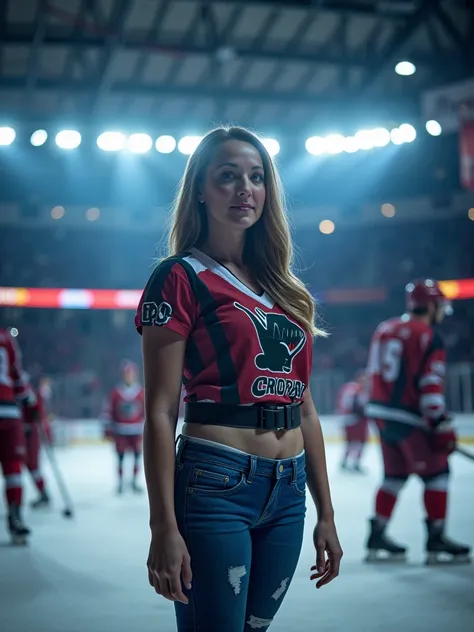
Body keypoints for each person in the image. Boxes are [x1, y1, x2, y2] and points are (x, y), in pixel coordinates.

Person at [135, 126, 342, 632]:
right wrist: (163, 524)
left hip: (290, 489)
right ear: (200, 191)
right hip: (215, 484)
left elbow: (307, 408)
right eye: (227, 177)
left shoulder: (285, 288)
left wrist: (327, 514)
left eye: (256, 177)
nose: (244, 189)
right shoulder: (179, 276)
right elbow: (161, 412)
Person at [364, 279, 471, 564]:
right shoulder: (428, 335)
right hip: (408, 416)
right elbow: (430, 384)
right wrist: (439, 421)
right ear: (433, 304)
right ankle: (436, 539)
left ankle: (377, 533)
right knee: (437, 475)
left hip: (380, 413)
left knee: (394, 476)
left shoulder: (385, 328)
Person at [0, 328, 35, 544]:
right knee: (13, 466)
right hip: (9, 409)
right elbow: (17, 375)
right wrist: (29, 400)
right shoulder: (6, 338)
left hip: (9, 409)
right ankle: (15, 518)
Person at [102, 360, 145, 494]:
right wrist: (108, 428)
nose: (129, 376)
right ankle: (120, 482)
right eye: (126, 374)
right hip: (120, 430)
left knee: (137, 457)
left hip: (136, 429)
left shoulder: (141, 392)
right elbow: (108, 410)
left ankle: (133, 482)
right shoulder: (116, 392)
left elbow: (145, 411)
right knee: (120, 457)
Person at [22, 380, 51, 508]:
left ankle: (43, 493)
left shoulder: (25, 388)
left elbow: (37, 409)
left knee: (32, 464)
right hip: (21, 431)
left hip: (29, 433)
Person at [336, 370, 369, 473]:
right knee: (353, 442)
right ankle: (349, 462)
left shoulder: (352, 388)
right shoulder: (355, 389)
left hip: (354, 418)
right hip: (354, 418)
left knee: (357, 442)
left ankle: (351, 462)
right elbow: (350, 404)